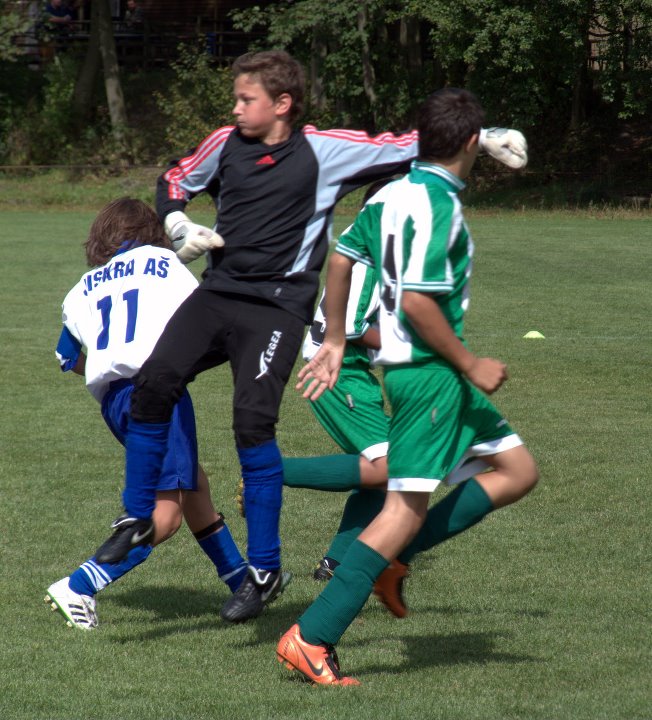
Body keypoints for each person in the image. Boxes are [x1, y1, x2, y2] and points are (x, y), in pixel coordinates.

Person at [94, 49, 528, 626]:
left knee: (251, 422)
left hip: (277, 307)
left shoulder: (325, 150)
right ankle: (134, 517)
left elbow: (400, 146)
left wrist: (487, 135)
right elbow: (175, 176)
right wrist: (177, 222)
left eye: (246, 98)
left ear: (282, 103)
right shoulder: (225, 142)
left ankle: (265, 570)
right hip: (219, 292)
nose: (235, 107)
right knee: (154, 381)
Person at [276, 87, 539, 685]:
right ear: (473, 143)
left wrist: (337, 338)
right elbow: (418, 303)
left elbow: (341, 258)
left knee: (518, 471)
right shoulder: (436, 206)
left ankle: (394, 560)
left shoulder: (391, 193)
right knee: (401, 507)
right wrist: (470, 363)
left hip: (431, 377)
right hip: (432, 378)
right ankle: (313, 637)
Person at [44, 198, 250, 630]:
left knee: (193, 480)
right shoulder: (165, 262)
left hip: (115, 401)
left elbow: (66, 357)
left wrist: (105, 364)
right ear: (153, 234)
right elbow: (207, 314)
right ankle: (80, 585)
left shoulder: (82, 287)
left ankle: (241, 581)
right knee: (165, 515)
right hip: (157, 391)